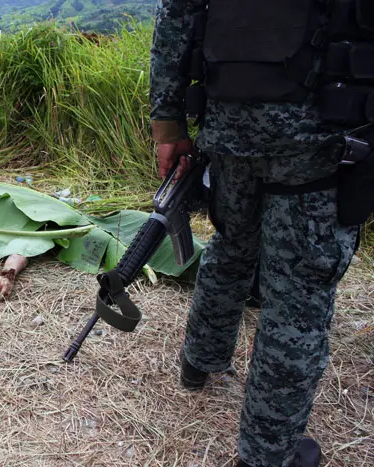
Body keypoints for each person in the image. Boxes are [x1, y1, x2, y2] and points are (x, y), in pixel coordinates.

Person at [149, 1, 371, 466]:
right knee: (297, 293)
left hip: (228, 118)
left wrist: (168, 123)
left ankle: (200, 362)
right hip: (318, 132)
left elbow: (177, 14)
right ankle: (268, 455)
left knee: (231, 245)